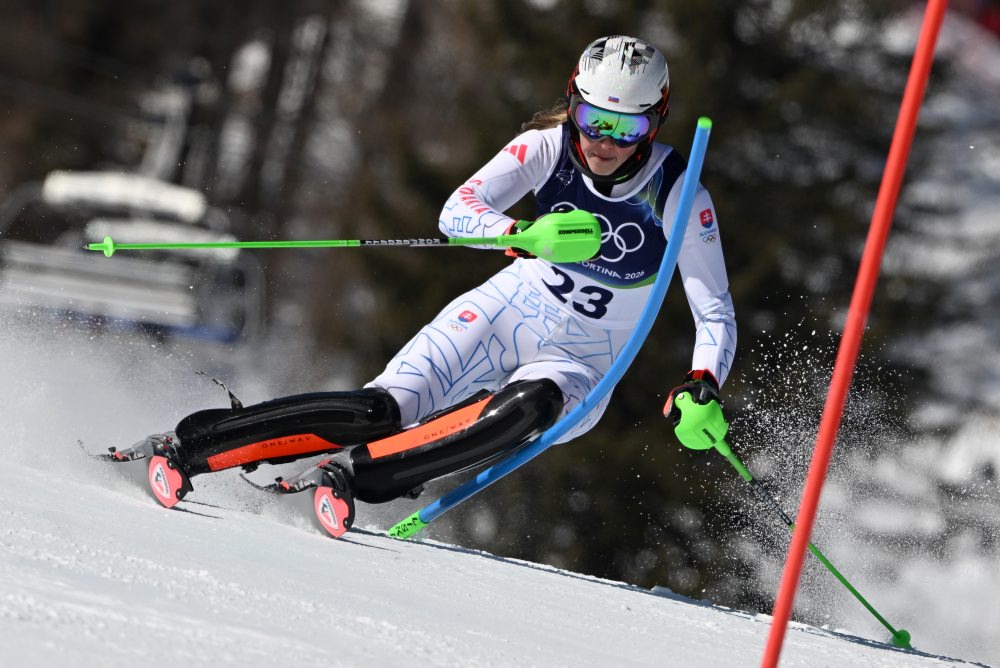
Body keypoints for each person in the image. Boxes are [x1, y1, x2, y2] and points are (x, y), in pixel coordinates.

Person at [112, 35, 737, 537]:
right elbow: (457, 211)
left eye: (624, 129)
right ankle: (186, 447)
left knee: (530, 410)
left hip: (583, 362)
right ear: (572, 103)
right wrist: (522, 234)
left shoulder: (680, 193)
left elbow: (714, 314)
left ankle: (353, 479)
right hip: (504, 312)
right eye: (592, 118)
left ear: (653, 125)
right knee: (379, 411)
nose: (602, 142)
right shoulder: (546, 148)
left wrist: (702, 385)